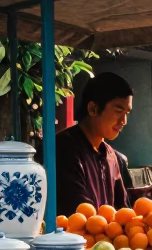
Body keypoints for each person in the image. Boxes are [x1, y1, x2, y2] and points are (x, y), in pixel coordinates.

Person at [54, 72, 132, 215]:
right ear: (93, 109)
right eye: (119, 110)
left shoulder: (111, 156)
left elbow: (123, 212)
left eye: (127, 113)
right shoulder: (63, 149)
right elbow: (77, 213)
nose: (124, 121)